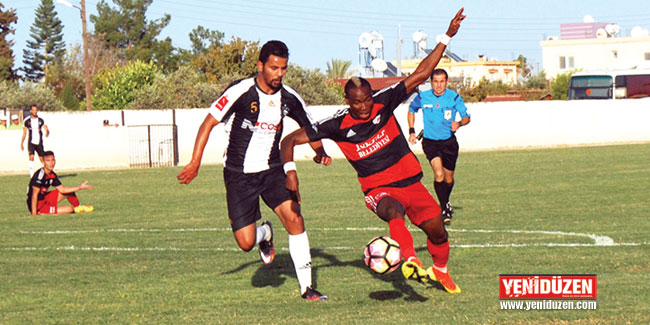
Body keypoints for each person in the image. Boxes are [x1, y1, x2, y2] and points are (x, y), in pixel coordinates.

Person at [280, 9, 465, 294]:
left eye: (366, 99)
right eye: (357, 103)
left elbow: (422, 73)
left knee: (438, 231)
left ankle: (440, 271)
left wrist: (446, 35)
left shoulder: (385, 100)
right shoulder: (337, 124)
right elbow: (289, 141)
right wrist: (290, 173)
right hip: (378, 189)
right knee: (394, 211)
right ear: (347, 101)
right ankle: (411, 261)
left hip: (412, 183)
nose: (364, 106)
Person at [177, 40, 332, 301]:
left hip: (273, 170)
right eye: (274, 68)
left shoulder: (289, 97)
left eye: (283, 69)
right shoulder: (241, 91)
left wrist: (320, 151)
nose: (279, 74)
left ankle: (307, 288)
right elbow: (208, 122)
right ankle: (266, 233)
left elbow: (309, 126)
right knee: (246, 243)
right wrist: (195, 162)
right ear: (260, 66)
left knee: (295, 218)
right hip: (239, 174)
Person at [407, 69, 470, 225]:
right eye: (435, 81)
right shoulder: (423, 97)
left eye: (442, 81)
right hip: (430, 142)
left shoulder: (454, 97)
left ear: (447, 82)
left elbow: (467, 117)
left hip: (449, 143)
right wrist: (412, 131)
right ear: (431, 82)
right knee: (439, 173)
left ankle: (445, 201)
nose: (439, 85)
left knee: (448, 179)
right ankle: (444, 209)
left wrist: (460, 123)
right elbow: (411, 110)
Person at [27, 151, 94, 216]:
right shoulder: (39, 176)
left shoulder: (52, 175)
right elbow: (34, 195)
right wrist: (34, 214)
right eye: (48, 160)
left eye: (53, 160)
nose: (51, 163)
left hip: (45, 198)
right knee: (69, 209)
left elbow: (62, 189)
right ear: (43, 162)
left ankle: (79, 207)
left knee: (70, 191)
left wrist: (79, 187)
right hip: (38, 205)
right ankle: (42, 211)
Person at [21, 104, 50, 177]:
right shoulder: (27, 121)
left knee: (42, 158)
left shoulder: (40, 120)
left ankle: (47, 172)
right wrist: (22, 143)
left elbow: (46, 128)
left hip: (39, 142)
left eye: (36, 110)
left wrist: (47, 132)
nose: (34, 111)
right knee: (31, 157)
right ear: (30, 111)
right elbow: (24, 133)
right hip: (31, 142)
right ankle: (31, 175)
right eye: (33, 110)